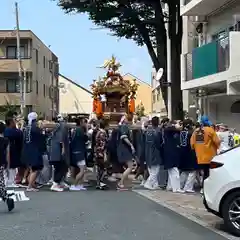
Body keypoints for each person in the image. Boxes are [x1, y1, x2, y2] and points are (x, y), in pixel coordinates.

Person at [190, 115, 220, 186]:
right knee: (208, 173)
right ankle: (206, 187)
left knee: (202, 172)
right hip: (210, 156)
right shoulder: (210, 130)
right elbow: (217, 142)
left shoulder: (196, 131)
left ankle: (203, 186)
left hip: (199, 156)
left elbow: (192, 144)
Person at [22, 112, 45, 192]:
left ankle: (32, 184)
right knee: (36, 169)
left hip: (27, 150)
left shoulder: (26, 128)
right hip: (35, 150)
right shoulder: (36, 127)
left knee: (32, 169)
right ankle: (29, 186)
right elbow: (40, 139)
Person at [49, 114, 70, 192]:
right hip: (59, 150)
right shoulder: (62, 126)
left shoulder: (56, 127)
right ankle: (55, 183)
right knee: (60, 167)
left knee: (60, 167)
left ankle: (60, 182)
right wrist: (63, 150)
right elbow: (62, 140)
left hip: (55, 150)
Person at [144, 117, 163, 190]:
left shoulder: (148, 131)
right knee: (156, 170)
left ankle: (155, 184)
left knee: (151, 169)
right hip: (155, 152)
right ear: (157, 122)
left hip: (148, 150)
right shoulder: (157, 131)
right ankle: (148, 183)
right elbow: (159, 143)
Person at [117, 114, 135, 190]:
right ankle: (120, 183)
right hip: (125, 149)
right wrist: (131, 145)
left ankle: (123, 183)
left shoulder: (123, 126)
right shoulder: (124, 127)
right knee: (130, 167)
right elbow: (124, 137)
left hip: (124, 149)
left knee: (129, 167)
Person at [179, 119, 198, 193]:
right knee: (193, 171)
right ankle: (188, 187)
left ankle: (180, 185)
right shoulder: (192, 133)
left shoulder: (181, 132)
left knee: (184, 171)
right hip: (190, 153)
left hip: (182, 153)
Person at [70, 118, 88, 191]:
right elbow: (86, 138)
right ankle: (74, 185)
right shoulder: (79, 130)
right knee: (82, 170)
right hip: (79, 152)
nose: (85, 124)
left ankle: (79, 184)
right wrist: (86, 130)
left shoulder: (75, 129)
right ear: (80, 122)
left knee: (82, 169)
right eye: (84, 122)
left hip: (77, 151)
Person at [4, 118, 23, 187]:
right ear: (11, 122)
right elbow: (20, 134)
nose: (15, 123)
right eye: (14, 122)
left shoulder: (5, 130)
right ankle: (11, 182)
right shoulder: (13, 131)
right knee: (12, 167)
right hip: (12, 151)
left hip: (5, 150)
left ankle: (7, 181)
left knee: (6, 167)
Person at [0, 122, 14, 211]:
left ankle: (6, 198)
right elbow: (7, 155)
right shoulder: (5, 140)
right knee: (0, 182)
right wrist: (8, 167)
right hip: (1, 163)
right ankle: (6, 198)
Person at [94, 120, 108, 190]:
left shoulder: (97, 132)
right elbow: (104, 144)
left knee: (98, 168)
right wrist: (105, 154)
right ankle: (101, 182)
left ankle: (98, 183)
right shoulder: (103, 133)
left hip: (97, 152)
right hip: (101, 153)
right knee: (104, 168)